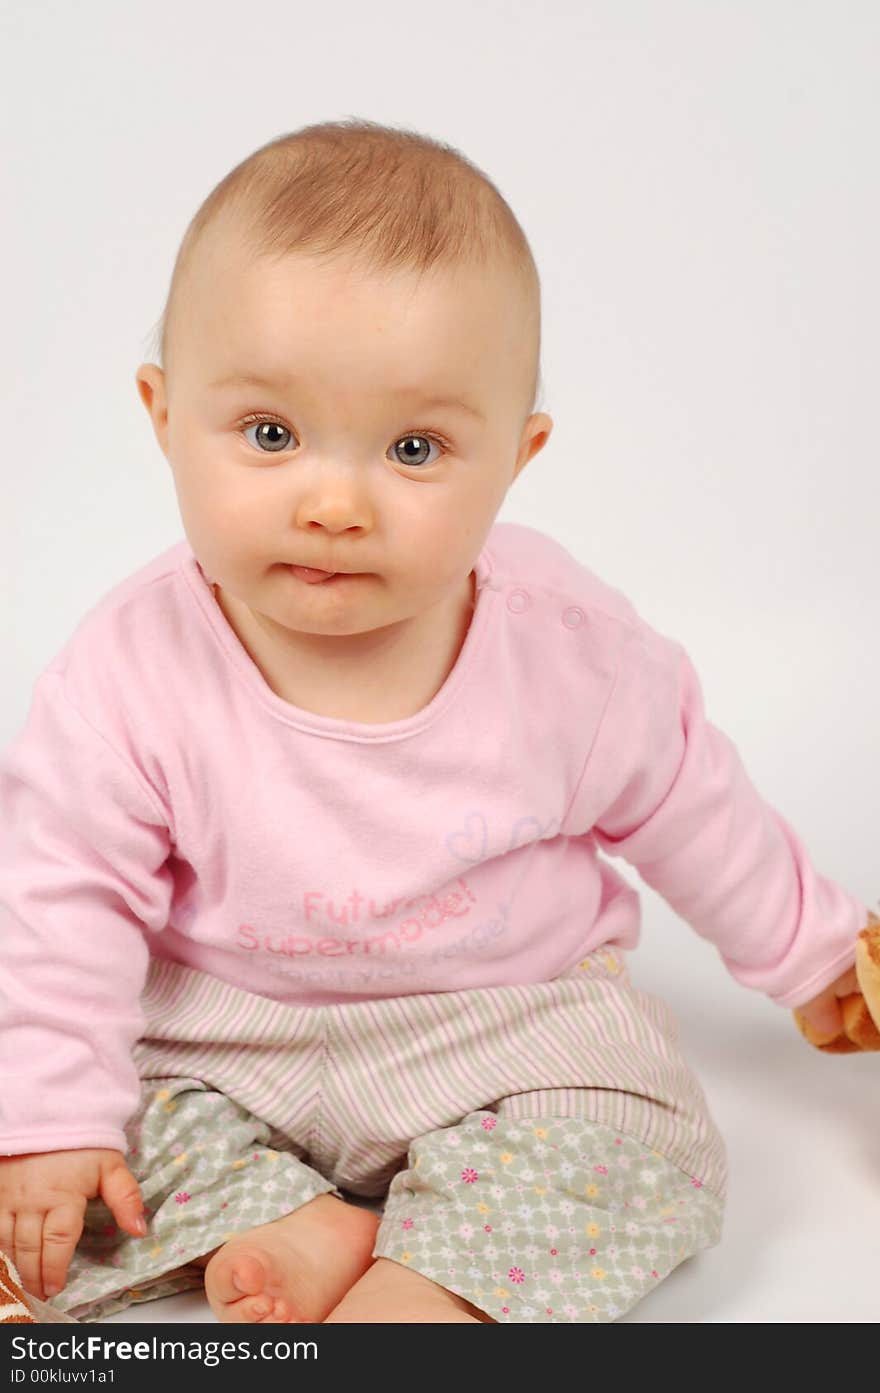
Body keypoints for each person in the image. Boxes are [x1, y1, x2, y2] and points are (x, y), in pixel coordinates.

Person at [0, 119, 869, 1326]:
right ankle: (286, 1219)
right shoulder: (125, 670)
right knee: (66, 1131)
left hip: (505, 1024)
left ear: (517, 457)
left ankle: (433, 1281)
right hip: (218, 1031)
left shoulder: (568, 652)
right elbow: (59, 898)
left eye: (414, 448)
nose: (334, 502)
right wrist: (48, 1119)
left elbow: (690, 803)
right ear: (162, 414)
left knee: (635, 1130)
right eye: (269, 434)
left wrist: (819, 953)